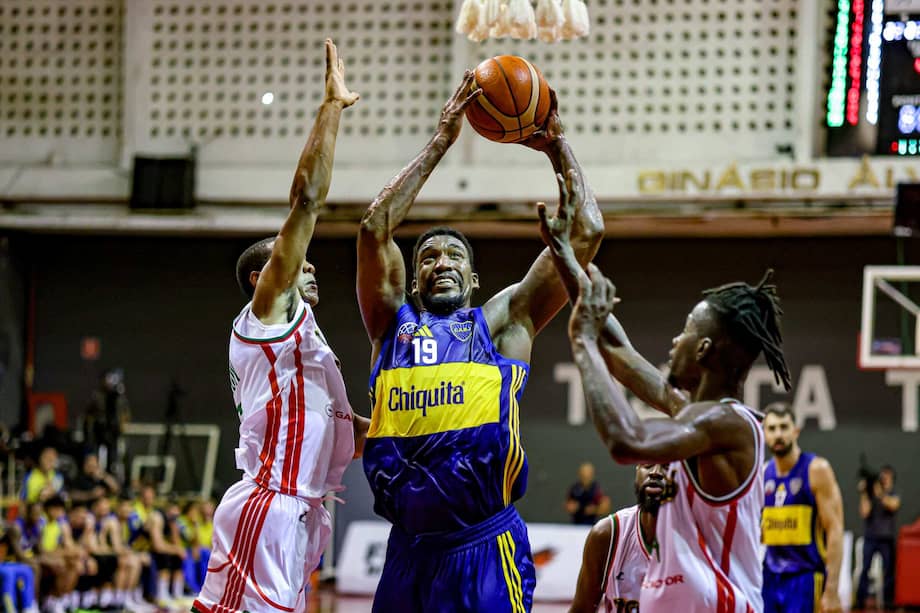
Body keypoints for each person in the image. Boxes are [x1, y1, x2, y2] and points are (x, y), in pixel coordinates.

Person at [357, 69, 603, 612]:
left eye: (454, 256)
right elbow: (374, 229)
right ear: (413, 281)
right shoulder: (391, 326)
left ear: (472, 279)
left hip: (483, 547)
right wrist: (442, 141)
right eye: (428, 257)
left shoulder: (503, 323)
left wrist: (557, 145)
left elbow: (587, 230)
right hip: (406, 553)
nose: (441, 262)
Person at [541, 185, 791, 612]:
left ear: (704, 350)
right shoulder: (696, 417)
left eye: (685, 331)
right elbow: (620, 352)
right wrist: (565, 256)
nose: (675, 341)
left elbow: (626, 441)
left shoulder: (727, 424)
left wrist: (581, 341)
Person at [192, 39, 366, 613]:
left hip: (303, 511)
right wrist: (331, 109)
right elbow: (306, 203)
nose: (309, 267)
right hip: (268, 502)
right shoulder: (264, 316)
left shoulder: (304, 340)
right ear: (260, 279)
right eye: (296, 263)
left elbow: (344, 428)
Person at [761, 402, 844, 613]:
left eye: (783, 427)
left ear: (796, 431)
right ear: (764, 434)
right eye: (772, 428)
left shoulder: (816, 469)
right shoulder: (763, 474)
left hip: (805, 578)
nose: (778, 434)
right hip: (770, 579)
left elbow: (835, 530)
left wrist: (832, 590)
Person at [569, 463, 671, 613]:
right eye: (647, 463)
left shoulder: (701, 535)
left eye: (667, 465)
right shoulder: (607, 535)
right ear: (637, 470)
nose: (655, 472)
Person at [856, 464, 901, 608]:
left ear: (892, 479)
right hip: (871, 537)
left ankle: (888, 602)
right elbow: (864, 512)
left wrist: (880, 493)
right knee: (865, 569)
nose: (884, 479)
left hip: (886, 539)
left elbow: (894, 505)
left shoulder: (893, 494)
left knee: (889, 571)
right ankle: (860, 601)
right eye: (883, 476)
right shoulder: (871, 495)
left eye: (887, 477)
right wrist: (864, 493)